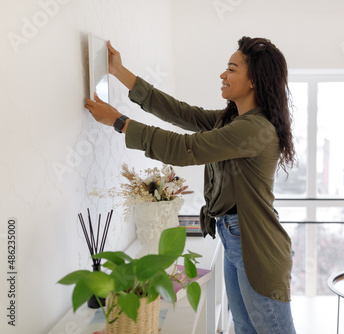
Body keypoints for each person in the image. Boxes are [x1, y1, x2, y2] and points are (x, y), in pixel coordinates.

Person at [85, 36, 297, 334]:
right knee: (246, 329)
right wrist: (120, 71)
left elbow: (186, 149)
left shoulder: (254, 129)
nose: (223, 75)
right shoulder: (233, 120)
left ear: (254, 81)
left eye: (232, 69)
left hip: (257, 246)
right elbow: (180, 113)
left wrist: (120, 122)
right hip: (236, 238)